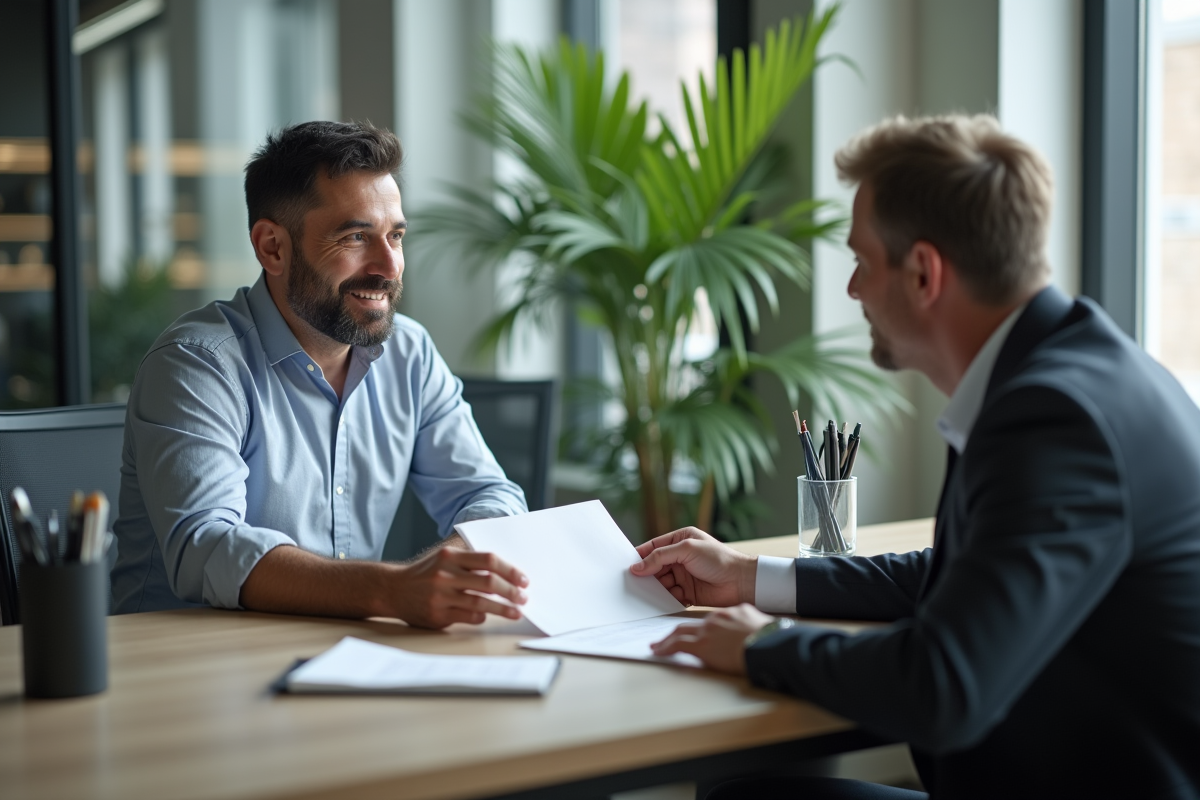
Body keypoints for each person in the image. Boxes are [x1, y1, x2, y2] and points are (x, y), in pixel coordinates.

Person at [631, 115, 1200, 799]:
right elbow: (955, 576)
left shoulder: (1055, 419)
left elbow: (945, 681)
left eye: (862, 263)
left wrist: (760, 645)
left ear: (925, 273)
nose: (853, 291)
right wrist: (752, 577)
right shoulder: (1079, 373)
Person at [110, 121, 530, 628]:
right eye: (356, 236)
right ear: (272, 248)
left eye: (395, 235)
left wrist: (456, 570)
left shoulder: (409, 352)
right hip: (178, 667)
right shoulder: (197, 363)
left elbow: (490, 495)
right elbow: (207, 548)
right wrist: (393, 589)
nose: (389, 266)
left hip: (339, 652)